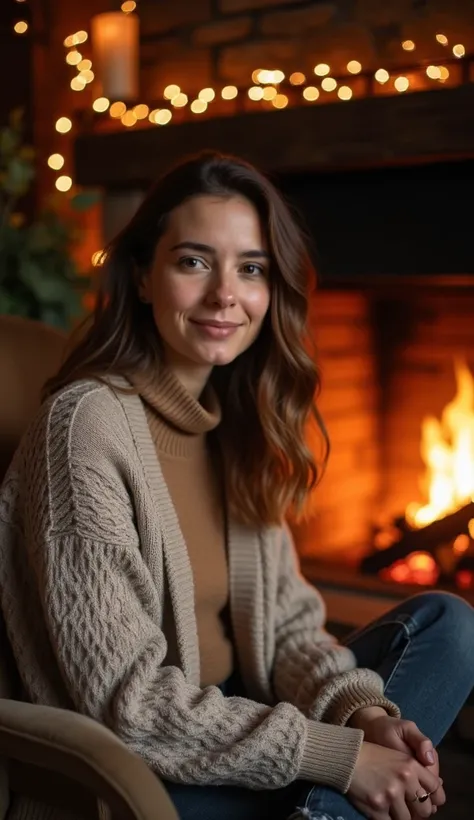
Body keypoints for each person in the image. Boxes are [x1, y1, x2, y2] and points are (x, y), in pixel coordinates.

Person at [0, 151, 473, 820]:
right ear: (142, 277)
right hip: (144, 765)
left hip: (248, 726)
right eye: (193, 261)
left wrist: (362, 719)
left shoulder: (241, 427)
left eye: (250, 268)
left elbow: (287, 629)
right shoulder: (87, 423)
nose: (226, 294)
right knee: (357, 787)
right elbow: (122, 703)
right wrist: (340, 760)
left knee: (449, 625)